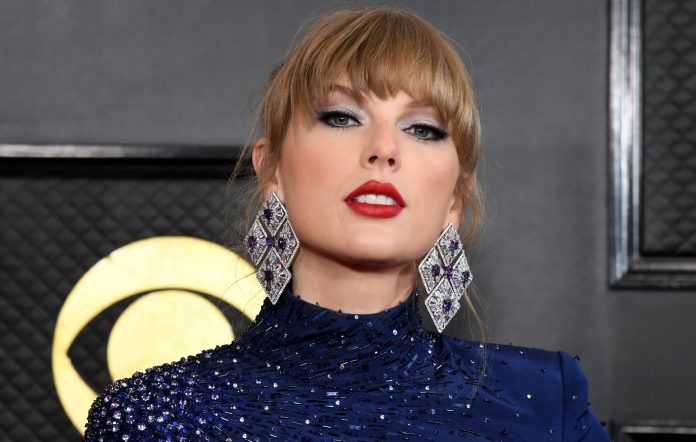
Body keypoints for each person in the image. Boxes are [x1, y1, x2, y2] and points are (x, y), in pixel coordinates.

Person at [84, 6, 611, 441]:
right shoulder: (158, 419)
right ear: (271, 170)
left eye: (423, 128)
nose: (383, 149)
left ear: (455, 198)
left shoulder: (544, 402)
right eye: (341, 117)